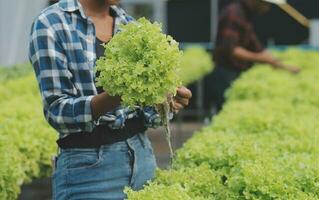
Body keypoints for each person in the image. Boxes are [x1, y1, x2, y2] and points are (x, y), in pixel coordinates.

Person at [28, 0, 192, 199]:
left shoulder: (130, 25)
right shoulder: (51, 23)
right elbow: (58, 112)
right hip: (88, 171)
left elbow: (146, 115)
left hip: (142, 157)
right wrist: (118, 93)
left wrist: (165, 103)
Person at [207, 0, 299, 111]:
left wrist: (283, 66)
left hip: (234, 73)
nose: (267, 8)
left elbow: (256, 47)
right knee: (226, 110)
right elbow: (231, 49)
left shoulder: (244, 15)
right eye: (265, 3)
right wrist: (262, 59)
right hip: (225, 74)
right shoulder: (233, 13)